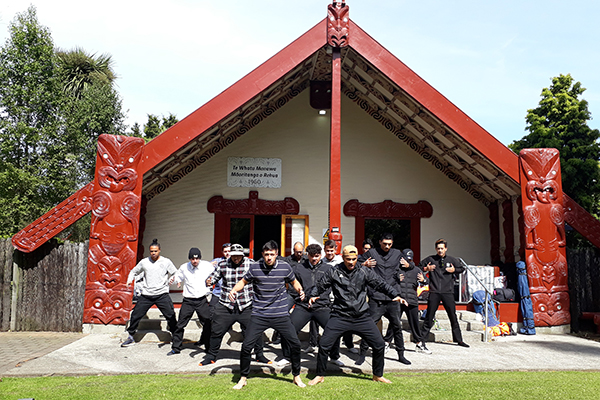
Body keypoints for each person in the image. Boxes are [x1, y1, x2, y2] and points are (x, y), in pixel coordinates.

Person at [307, 245, 408, 386]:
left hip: (361, 316)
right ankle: (320, 375)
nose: (351, 262)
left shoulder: (364, 271)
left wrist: (395, 294)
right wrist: (313, 295)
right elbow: (320, 285)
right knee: (324, 345)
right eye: (348, 259)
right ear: (343, 258)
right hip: (340, 316)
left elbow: (380, 284)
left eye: (354, 259)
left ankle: (377, 375)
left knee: (379, 345)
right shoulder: (334, 271)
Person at [229, 240, 306, 389]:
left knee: (295, 345)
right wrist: (233, 290)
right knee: (246, 347)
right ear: (262, 255)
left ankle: (296, 376)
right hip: (260, 314)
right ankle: (243, 378)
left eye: (272, 254)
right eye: (266, 255)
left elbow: (294, 282)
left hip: (280, 314)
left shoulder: (285, 267)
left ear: (276, 254)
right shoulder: (255, 268)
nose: (269, 257)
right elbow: (243, 282)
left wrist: (300, 290)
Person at [199, 244, 270, 366]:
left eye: (238, 256)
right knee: (216, 330)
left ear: (242, 255)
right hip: (226, 304)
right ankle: (211, 356)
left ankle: (259, 355)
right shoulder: (223, 264)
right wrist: (209, 281)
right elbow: (213, 278)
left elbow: (260, 280)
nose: (236, 258)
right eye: (233, 256)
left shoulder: (251, 264)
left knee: (255, 330)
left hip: (246, 304)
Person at [280, 244, 343, 366]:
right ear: (307, 255)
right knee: (288, 328)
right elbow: (293, 287)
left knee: (335, 328)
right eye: (311, 256)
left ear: (321, 255)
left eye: (317, 256)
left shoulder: (328, 269)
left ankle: (334, 357)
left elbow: (333, 287)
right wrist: (301, 294)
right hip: (303, 306)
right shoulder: (299, 268)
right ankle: (287, 356)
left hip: (322, 305)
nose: (314, 259)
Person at [357, 233, 410, 365]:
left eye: (389, 244)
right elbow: (354, 264)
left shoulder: (398, 253)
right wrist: (364, 264)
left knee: (397, 326)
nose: (387, 246)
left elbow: (410, 266)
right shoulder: (372, 253)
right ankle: (362, 354)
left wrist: (405, 269)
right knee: (369, 325)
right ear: (380, 242)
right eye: (385, 243)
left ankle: (401, 354)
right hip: (377, 297)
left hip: (393, 297)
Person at [121, 238, 177, 347]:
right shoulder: (144, 262)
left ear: (159, 250)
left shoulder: (166, 262)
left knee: (170, 315)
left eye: (155, 251)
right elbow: (133, 271)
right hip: (147, 294)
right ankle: (131, 336)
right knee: (136, 314)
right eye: (151, 251)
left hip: (162, 294)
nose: (153, 253)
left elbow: (175, 272)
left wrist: (175, 280)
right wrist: (129, 280)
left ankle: (175, 334)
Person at [419, 238, 469, 348]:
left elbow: (462, 268)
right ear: (435, 249)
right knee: (429, 316)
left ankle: (459, 340)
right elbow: (418, 267)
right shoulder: (431, 259)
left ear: (446, 248)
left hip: (448, 292)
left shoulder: (451, 260)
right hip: (434, 291)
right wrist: (426, 268)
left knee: (453, 316)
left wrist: (454, 270)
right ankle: (422, 339)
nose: (440, 250)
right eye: (438, 248)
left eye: (442, 248)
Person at [167, 247, 213, 355]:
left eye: (197, 259)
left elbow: (217, 271)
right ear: (189, 259)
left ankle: (208, 348)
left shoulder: (206, 266)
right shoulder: (184, 267)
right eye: (192, 259)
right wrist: (176, 281)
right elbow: (177, 277)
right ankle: (176, 347)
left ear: (200, 258)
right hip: (188, 300)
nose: (195, 261)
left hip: (201, 299)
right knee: (180, 324)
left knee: (207, 323)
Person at [397, 249, 431, 354]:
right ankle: (387, 342)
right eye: (405, 259)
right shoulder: (396, 269)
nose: (407, 261)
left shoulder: (416, 270)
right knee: (394, 323)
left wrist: (423, 280)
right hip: (399, 299)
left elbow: (426, 282)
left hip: (412, 300)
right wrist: (396, 278)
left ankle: (419, 344)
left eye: (410, 259)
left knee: (415, 324)